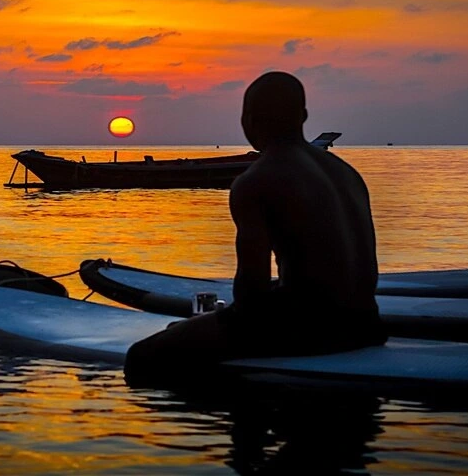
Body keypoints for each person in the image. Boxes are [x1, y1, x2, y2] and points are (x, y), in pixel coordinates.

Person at [124, 71, 387, 388]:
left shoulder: (256, 180)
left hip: (312, 331)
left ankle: (239, 427)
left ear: (248, 120)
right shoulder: (347, 173)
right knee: (186, 332)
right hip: (368, 324)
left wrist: (210, 326)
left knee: (141, 356)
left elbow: (252, 294)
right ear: (303, 116)